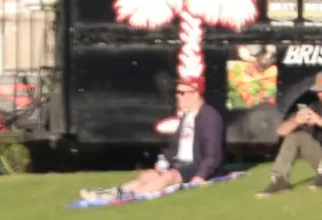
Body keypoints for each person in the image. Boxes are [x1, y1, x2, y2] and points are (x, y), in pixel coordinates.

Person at [82, 78, 225, 202]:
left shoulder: (209, 117)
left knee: (168, 177)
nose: (177, 96)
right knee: (148, 175)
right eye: (177, 93)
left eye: (182, 93)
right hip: (179, 163)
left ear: (196, 94)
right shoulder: (187, 117)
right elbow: (175, 147)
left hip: (195, 164)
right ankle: (112, 192)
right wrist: (163, 160)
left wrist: (201, 175)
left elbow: (213, 154)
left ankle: (130, 195)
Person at [255, 68, 322, 196]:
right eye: (318, 90)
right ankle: (279, 180)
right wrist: (296, 121)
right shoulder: (314, 107)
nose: (321, 94)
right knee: (296, 136)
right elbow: (281, 131)